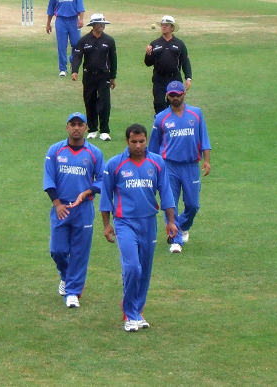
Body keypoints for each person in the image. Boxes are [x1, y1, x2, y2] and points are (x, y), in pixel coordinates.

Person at [100, 123, 177, 332]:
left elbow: (166, 193)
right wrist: (107, 225)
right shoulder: (115, 164)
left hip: (149, 221)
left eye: (141, 141)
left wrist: (170, 221)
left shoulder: (157, 163)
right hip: (124, 222)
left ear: (146, 140)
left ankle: (137, 311)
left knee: (144, 269)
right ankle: (129, 313)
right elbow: (106, 196)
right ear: (127, 141)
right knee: (132, 267)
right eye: (133, 142)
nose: (138, 145)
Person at [43, 112, 105, 308]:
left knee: (79, 252)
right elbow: (49, 179)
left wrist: (87, 192)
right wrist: (57, 204)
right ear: (67, 127)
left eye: (80, 124)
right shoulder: (55, 151)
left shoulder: (94, 153)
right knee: (57, 250)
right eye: (73, 124)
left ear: (86, 128)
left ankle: (72, 292)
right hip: (61, 207)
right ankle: (67, 276)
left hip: (83, 209)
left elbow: (103, 180)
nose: (76, 128)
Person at [148, 81, 211, 253]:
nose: (175, 98)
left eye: (178, 94)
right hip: (169, 166)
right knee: (170, 204)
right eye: (172, 95)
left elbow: (203, 138)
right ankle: (175, 239)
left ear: (184, 94)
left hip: (191, 165)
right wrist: (152, 168)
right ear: (167, 96)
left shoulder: (196, 114)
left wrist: (206, 160)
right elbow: (153, 147)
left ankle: (182, 225)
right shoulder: (161, 118)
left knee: (193, 205)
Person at [71, 14, 117, 141]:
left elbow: (113, 60)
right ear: (92, 25)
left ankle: (104, 131)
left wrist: (113, 77)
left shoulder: (109, 41)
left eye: (103, 24)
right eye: (99, 24)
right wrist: (75, 71)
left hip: (104, 75)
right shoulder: (84, 40)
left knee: (104, 103)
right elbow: (78, 56)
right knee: (89, 101)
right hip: (89, 75)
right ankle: (92, 129)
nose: (101, 26)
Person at [144, 15, 192, 114]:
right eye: (162, 25)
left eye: (166, 25)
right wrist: (148, 54)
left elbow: (185, 62)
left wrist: (188, 78)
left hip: (174, 78)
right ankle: (160, 126)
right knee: (159, 103)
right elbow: (148, 63)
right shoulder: (155, 43)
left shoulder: (179, 44)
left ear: (172, 28)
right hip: (159, 78)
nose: (163, 27)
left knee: (174, 103)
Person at [46, 0, 85, 77]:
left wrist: (81, 19)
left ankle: (72, 60)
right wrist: (48, 24)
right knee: (62, 45)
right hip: (61, 20)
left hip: (74, 20)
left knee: (76, 44)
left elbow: (81, 7)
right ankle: (63, 69)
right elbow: (51, 9)